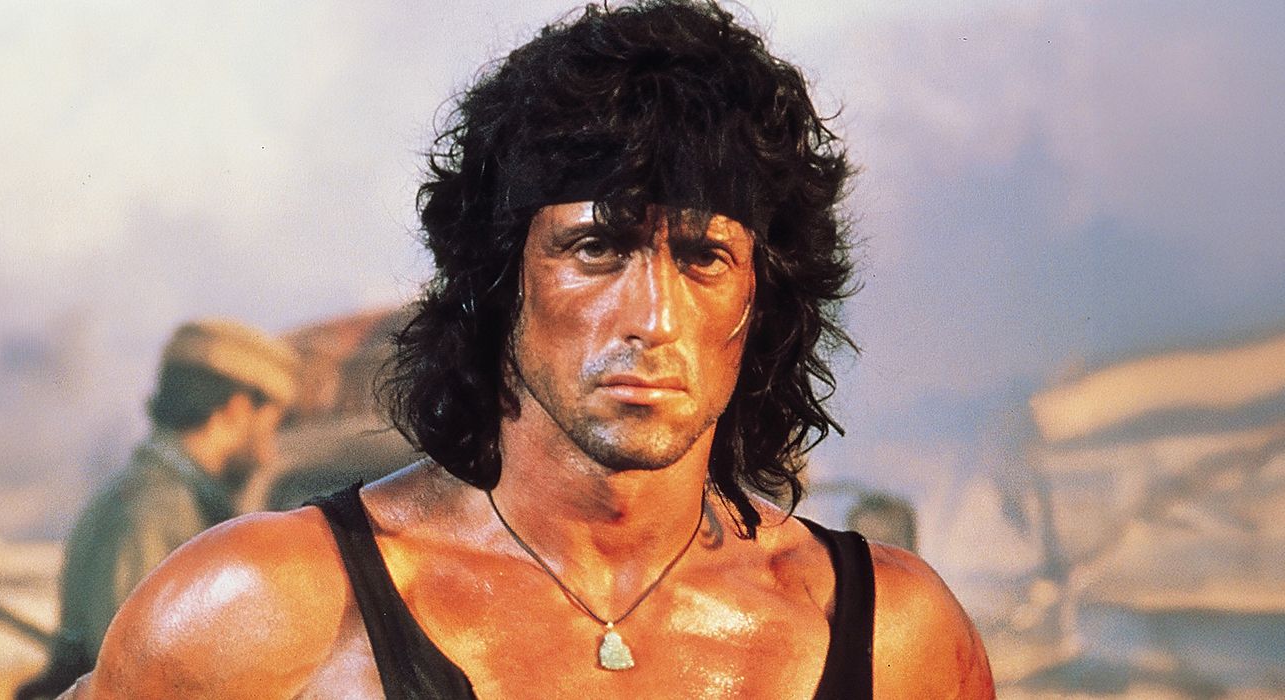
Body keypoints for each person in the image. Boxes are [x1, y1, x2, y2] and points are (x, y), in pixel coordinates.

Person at [64, 2, 994, 697]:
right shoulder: (264, 608)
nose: (651, 318)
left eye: (703, 257)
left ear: (763, 296)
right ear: (501, 278)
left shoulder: (895, 638)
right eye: (597, 249)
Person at [17, 319, 299, 698]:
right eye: (270, 426)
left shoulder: (152, 499)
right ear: (235, 410)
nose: (268, 453)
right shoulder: (157, 514)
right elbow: (138, 683)